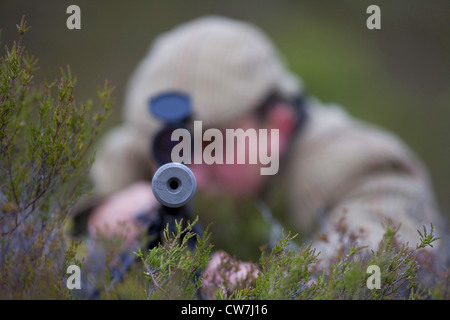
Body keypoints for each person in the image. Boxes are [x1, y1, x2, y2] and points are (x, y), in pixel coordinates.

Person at [81, 16, 444, 298]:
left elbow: (391, 259)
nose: (188, 172)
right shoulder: (137, 151)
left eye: (213, 144)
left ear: (278, 124)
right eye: (171, 148)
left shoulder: (359, 163)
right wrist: (98, 222)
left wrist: (270, 288)